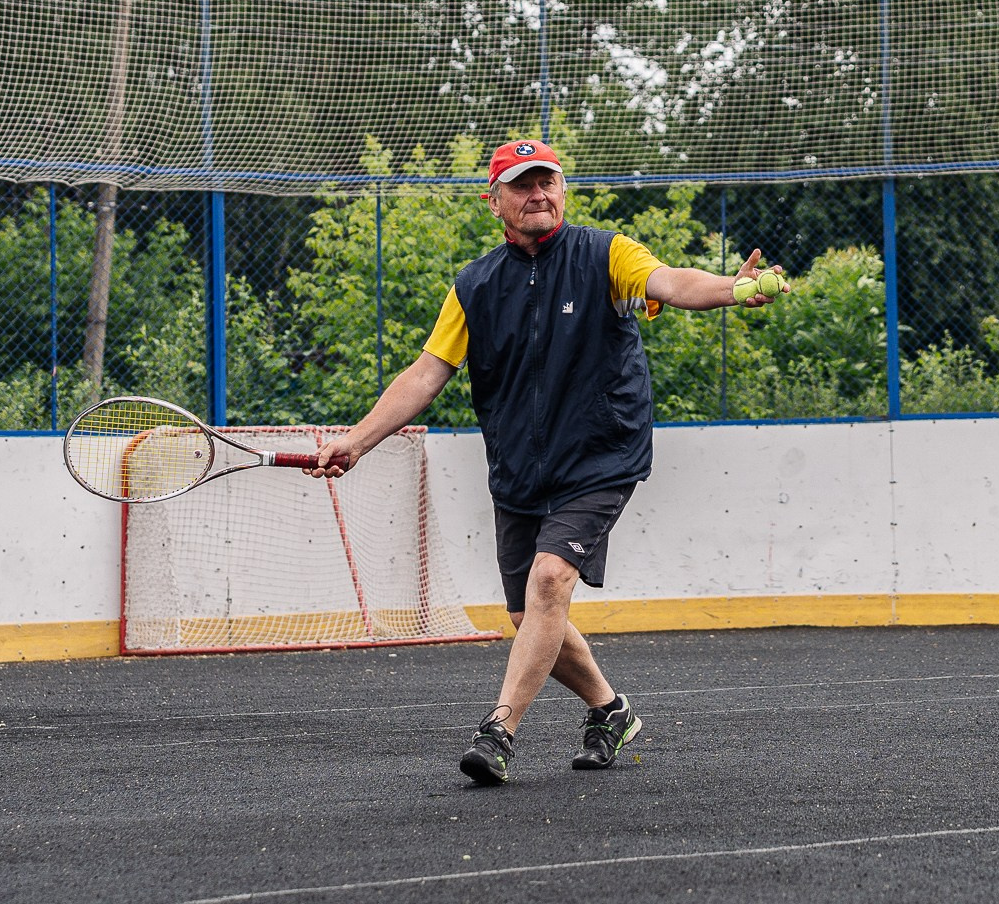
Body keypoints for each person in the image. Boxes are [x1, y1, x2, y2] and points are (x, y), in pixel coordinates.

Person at [311, 138, 784, 784]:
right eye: (522, 184)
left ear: (563, 190)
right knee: (527, 616)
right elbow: (426, 375)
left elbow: (671, 283)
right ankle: (609, 710)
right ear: (494, 201)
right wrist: (358, 441)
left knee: (548, 582)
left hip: (601, 455)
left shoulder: (606, 254)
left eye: (548, 182)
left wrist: (732, 288)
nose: (538, 194)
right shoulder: (474, 287)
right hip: (520, 471)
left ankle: (498, 729)